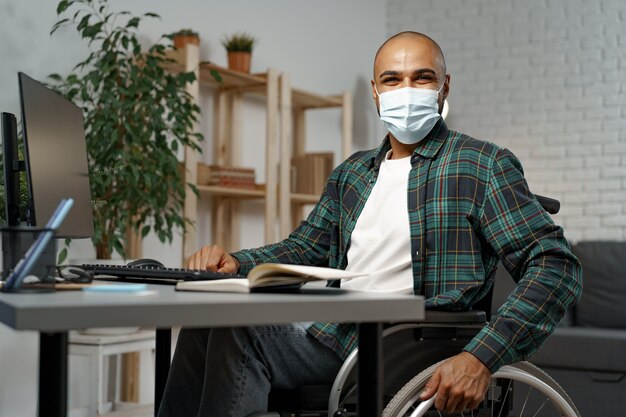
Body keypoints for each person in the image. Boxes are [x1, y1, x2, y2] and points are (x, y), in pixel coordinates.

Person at [158, 31, 582, 416]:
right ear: (376, 92)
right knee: (207, 319)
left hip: (407, 346)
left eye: (422, 78)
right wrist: (236, 261)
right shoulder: (353, 173)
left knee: (239, 333)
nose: (407, 91)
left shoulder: (481, 165)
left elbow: (555, 266)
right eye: (393, 80)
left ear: (444, 87)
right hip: (338, 333)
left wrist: (483, 356)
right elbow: (305, 248)